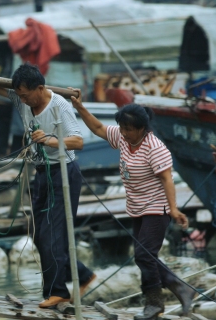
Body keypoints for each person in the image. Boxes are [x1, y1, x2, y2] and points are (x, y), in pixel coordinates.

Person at [0, 62, 96, 308]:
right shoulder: (22, 99)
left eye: (26, 95)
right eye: (20, 96)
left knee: (53, 235)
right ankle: (83, 275)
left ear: (40, 88)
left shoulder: (59, 105)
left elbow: (78, 141)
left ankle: (58, 292)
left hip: (64, 173)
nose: (23, 100)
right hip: (41, 173)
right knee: (37, 235)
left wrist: (49, 139)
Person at [70, 97, 195, 320]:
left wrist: (174, 210)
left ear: (142, 128)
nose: (124, 133)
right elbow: (98, 127)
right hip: (138, 208)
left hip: (157, 208)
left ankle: (154, 303)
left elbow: (167, 179)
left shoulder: (154, 147)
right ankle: (180, 287)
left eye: (128, 129)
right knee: (144, 256)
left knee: (144, 255)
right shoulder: (124, 139)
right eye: (122, 128)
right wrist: (80, 107)